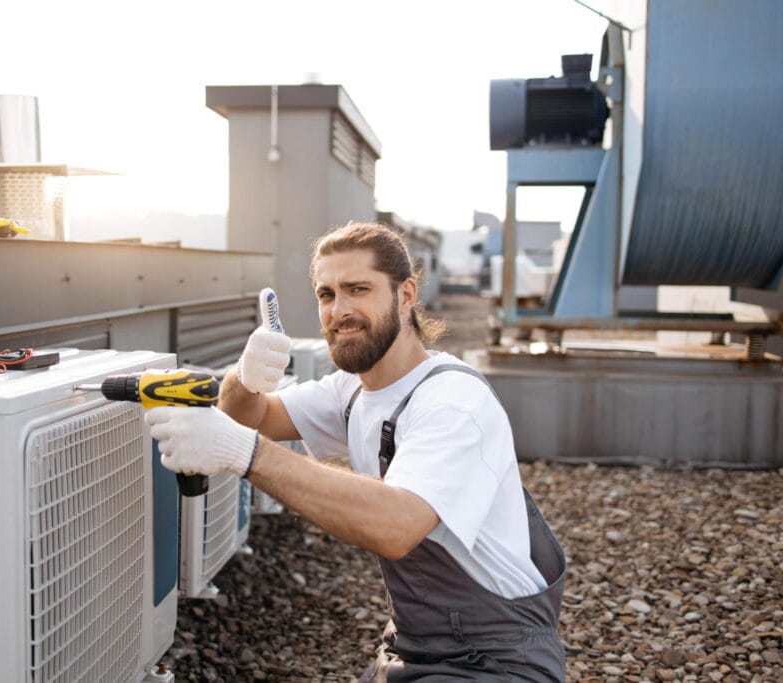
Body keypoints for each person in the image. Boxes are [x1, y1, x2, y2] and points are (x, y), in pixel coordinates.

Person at [145, 222, 566, 681]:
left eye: (357, 289)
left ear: (406, 295)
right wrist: (242, 379)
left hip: (498, 659)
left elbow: (397, 524)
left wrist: (248, 454)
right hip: (415, 644)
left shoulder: (451, 403)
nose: (339, 311)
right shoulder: (353, 390)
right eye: (326, 295)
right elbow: (248, 416)